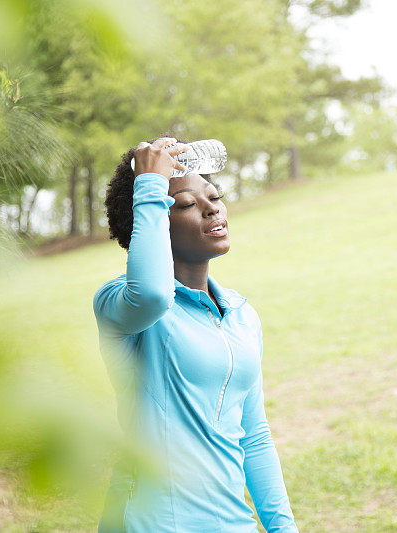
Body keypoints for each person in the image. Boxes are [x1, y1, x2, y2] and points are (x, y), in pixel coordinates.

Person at [93, 137, 299, 532]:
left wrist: (282, 528)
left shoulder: (240, 314)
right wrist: (150, 183)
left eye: (214, 195)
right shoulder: (121, 304)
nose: (212, 208)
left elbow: (253, 436)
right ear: (150, 219)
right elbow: (152, 293)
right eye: (186, 204)